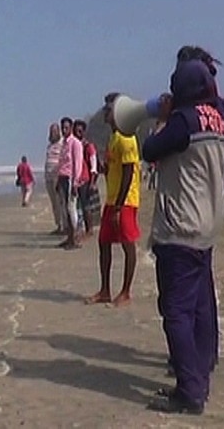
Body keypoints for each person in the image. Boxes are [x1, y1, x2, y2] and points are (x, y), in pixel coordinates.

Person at [142, 52, 224, 415]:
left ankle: (190, 390)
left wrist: (163, 119)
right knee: (202, 306)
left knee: (176, 311)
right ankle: (202, 368)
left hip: (179, 228)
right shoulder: (220, 119)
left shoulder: (183, 121)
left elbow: (150, 150)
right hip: (207, 225)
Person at [84, 93, 141, 307]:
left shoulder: (127, 137)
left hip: (125, 200)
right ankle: (105, 290)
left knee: (128, 244)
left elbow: (128, 172)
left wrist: (118, 206)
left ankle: (126, 291)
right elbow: (114, 169)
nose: (105, 113)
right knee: (104, 243)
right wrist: (104, 168)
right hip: (112, 198)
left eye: (108, 110)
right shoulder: (114, 137)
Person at [57, 116, 84, 249]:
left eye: (66, 128)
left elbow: (77, 164)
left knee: (71, 209)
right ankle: (68, 237)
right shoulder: (64, 143)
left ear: (71, 127)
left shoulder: (75, 143)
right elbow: (61, 162)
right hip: (62, 177)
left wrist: (75, 183)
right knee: (64, 210)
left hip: (70, 179)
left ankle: (74, 239)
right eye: (62, 128)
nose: (64, 130)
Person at [73, 119, 98, 239]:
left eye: (80, 130)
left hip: (85, 179)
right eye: (76, 130)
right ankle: (79, 229)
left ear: (84, 131)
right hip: (75, 180)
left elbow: (93, 165)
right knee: (77, 206)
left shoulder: (88, 146)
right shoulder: (73, 145)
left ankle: (90, 229)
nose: (78, 132)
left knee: (86, 205)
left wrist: (92, 182)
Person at [44, 123, 66, 235]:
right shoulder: (49, 145)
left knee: (60, 201)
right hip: (48, 176)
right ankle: (58, 225)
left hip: (57, 176)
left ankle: (64, 226)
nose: (53, 133)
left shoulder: (62, 143)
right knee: (54, 203)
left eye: (55, 131)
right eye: (52, 131)